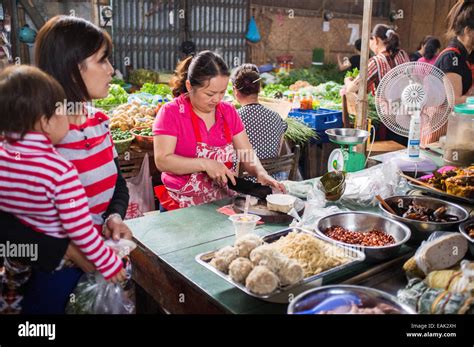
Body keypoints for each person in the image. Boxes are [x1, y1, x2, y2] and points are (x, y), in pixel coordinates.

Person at [0, 15, 133, 314]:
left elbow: (116, 184)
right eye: (102, 60)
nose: (112, 70)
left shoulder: (99, 123)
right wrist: (66, 249)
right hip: (45, 271)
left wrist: (113, 217)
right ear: (72, 68)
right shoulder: (35, 135)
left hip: (95, 261)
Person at [153, 51, 285, 211]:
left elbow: (246, 153)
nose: (217, 99)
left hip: (221, 204)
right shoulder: (171, 113)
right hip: (180, 207)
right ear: (189, 86)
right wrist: (204, 163)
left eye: (222, 92)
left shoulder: (228, 111)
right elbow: (162, 160)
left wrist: (260, 172)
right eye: (210, 93)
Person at [423, 0, 474, 145]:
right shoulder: (451, 57)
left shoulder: (467, 56)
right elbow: (455, 100)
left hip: (455, 128)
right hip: (437, 129)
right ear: (467, 31)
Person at [231, 64, 288, 180]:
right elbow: (281, 151)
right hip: (272, 181)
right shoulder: (276, 117)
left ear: (235, 91)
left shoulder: (234, 118)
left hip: (245, 186)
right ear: (259, 88)